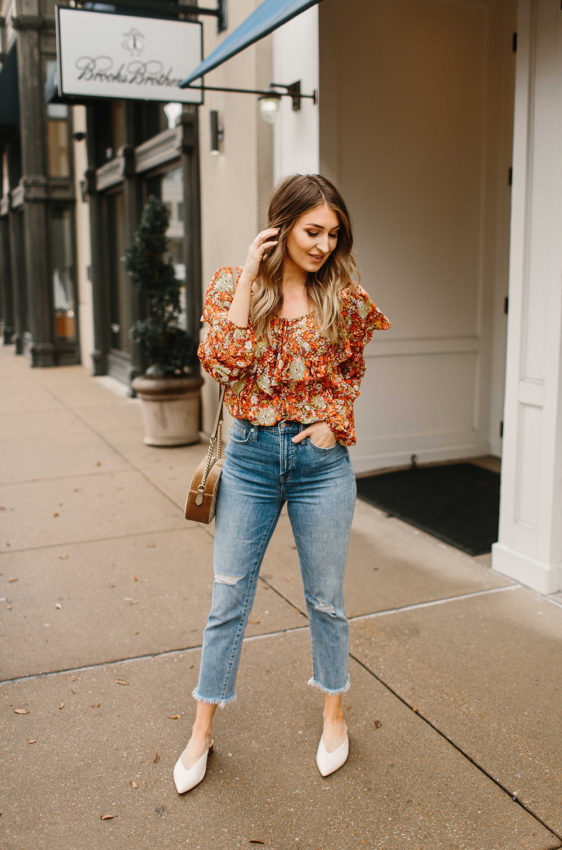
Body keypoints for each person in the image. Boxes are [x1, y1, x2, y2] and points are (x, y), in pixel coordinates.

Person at [173, 173, 390, 794]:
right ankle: (201, 730)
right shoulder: (230, 285)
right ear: (282, 226)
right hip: (248, 459)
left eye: (333, 234)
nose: (323, 244)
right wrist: (248, 271)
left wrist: (334, 422)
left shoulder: (343, 295)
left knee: (325, 598)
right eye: (312, 231)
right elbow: (223, 363)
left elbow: (353, 368)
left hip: (321, 465)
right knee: (228, 599)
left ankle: (334, 714)